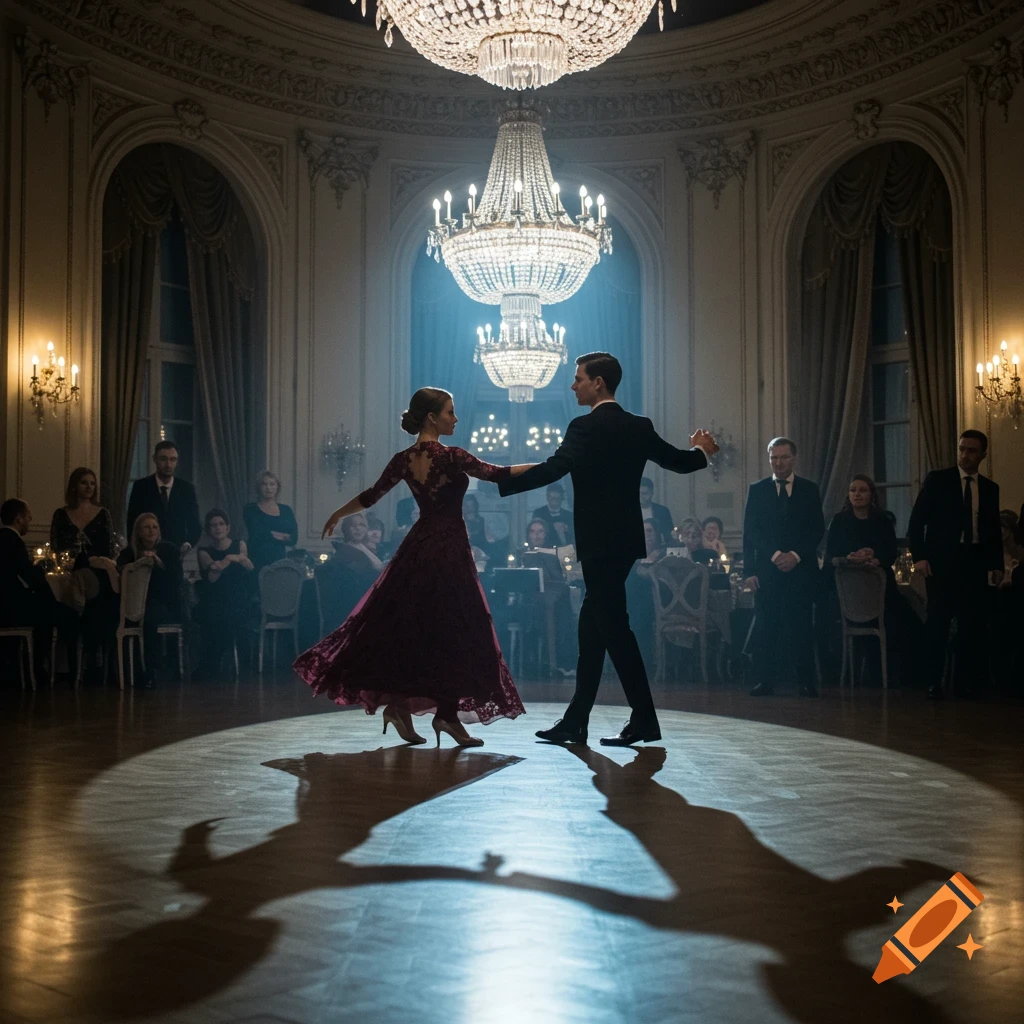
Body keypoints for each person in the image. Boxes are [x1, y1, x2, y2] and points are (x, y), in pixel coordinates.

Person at [498, 352, 717, 746]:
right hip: (624, 543)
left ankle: (644, 720)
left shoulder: (583, 427)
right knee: (593, 630)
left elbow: (553, 469)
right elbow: (681, 463)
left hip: (597, 545)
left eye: (578, 378)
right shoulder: (639, 426)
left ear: (598, 383)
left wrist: (500, 476)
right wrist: (703, 450)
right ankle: (575, 721)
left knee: (614, 629)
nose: (573, 385)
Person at [294, 387, 529, 748]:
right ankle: (442, 716)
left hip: (419, 549)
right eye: (450, 412)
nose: (455, 418)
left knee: (420, 631)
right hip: (447, 551)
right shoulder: (451, 456)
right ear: (432, 417)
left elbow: (371, 495)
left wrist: (339, 513)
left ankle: (411, 708)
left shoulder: (404, 459)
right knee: (453, 630)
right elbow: (497, 474)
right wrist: (552, 465)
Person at [907, 430, 1002, 698]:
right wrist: (920, 558)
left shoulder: (990, 488)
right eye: (962, 449)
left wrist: (996, 565)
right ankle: (933, 682)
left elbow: (992, 530)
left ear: (982, 454)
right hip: (942, 562)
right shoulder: (939, 480)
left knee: (972, 624)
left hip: (974, 562)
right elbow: (917, 522)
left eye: (972, 450)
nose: (965, 455)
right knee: (938, 622)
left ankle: (965, 682)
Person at [742, 437, 825, 698]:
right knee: (767, 627)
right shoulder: (757, 489)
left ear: (794, 458)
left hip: (801, 571)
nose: (778, 463)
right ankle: (764, 681)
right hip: (767, 571)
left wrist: (796, 556)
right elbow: (750, 533)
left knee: (801, 627)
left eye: (783, 457)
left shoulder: (810, 489)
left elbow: (817, 530)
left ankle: (806, 682)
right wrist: (751, 571)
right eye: (773, 458)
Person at [50, 468, 120, 669]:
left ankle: (94, 662)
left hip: (98, 573)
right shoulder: (61, 514)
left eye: (92, 483)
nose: (89, 487)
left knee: (95, 606)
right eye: (84, 482)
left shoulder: (103, 514)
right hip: (70, 573)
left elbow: (108, 548)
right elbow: (55, 546)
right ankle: (71, 664)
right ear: (74, 485)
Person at [0, 498, 79, 672]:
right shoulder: (14, 541)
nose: (30, 520)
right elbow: (28, 576)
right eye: (28, 516)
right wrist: (48, 596)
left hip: (6, 606)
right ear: (18, 518)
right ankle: (66, 671)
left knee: (46, 615)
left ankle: (35, 668)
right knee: (67, 615)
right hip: (12, 608)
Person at [117, 512, 184, 683]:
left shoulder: (169, 550)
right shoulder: (129, 553)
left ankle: (150, 672)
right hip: (132, 603)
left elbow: (175, 582)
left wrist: (157, 562)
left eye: (154, 527)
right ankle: (122, 672)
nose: (151, 531)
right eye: (146, 527)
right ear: (138, 531)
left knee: (150, 618)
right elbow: (121, 575)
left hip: (163, 602)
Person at [196, 509, 256, 673]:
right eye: (213, 525)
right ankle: (214, 663)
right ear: (208, 530)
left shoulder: (239, 544)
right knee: (215, 616)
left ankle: (238, 663)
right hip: (216, 598)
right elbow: (212, 578)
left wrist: (228, 560)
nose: (218, 528)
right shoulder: (204, 551)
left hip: (238, 596)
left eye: (221, 524)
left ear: (228, 527)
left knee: (234, 613)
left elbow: (250, 566)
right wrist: (229, 559)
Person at [126, 440, 201, 554]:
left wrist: (188, 543)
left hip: (177, 552)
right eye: (163, 459)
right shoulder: (141, 486)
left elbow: (195, 523)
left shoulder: (187, 489)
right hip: (146, 552)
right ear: (154, 459)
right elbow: (132, 521)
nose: (168, 465)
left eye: (172, 459)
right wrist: (137, 549)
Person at [243, 471, 298, 570]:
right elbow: (256, 534)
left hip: (280, 560)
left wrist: (274, 535)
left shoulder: (286, 510)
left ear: (277, 487)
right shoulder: (250, 509)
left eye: (272, 484)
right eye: (264, 484)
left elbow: (294, 538)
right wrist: (281, 536)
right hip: (255, 559)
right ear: (258, 488)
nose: (268, 488)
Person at [639, 476, 674, 545]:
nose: (641, 497)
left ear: (652, 493)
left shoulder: (663, 511)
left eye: (644, 493)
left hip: (658, 549)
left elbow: (669, 536)